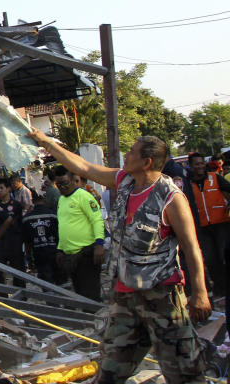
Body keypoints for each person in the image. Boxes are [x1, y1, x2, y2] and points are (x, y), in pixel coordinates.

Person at [29, 129, 210, 384]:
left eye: (132, 152)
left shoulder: (170, 198)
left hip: (162, 297)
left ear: (146, 162)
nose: (126, 156)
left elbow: (191, 247)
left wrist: (200, 293)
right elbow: (83, 165)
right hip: (126, 296)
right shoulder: (124, 181)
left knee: (183, 372)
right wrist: (46, 143)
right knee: (110, 370)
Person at [52, 166, 104, 301]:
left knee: (90, 294)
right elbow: (63, 225)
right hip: (70, 255)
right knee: (79, 293)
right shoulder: (61, 200)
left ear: (73, 180)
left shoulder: (84, 196)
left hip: (86, 252)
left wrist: (99, 244)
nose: (62, 187)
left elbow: (97, 220)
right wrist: (60, 249)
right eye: (59, 184)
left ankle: (95, 320)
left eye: (65, 183)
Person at [186, 151, 230, 293]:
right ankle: (220, 288)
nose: (200, 166)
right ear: (191, 166)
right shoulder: (187, 183)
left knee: (224, 254)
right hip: (202, 226)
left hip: (221, 223)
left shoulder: (214, 177)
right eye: (196, 164)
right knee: (210, 259)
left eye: (201, 163)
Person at [0, 177, 26, 288]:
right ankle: (2, 294)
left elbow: (18, 222)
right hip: (0, 242)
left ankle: (22, 294)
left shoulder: (17, 205)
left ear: (8, 189)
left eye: (1, 188)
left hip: (14, 241)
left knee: (18, 269)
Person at [23, 193, 59, 284]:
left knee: (46, 282)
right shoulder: (53, 215)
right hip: (55, 252)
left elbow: (27, 241)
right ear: (44, 200)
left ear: (33, 201)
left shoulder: (27, 218)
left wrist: (29, 259)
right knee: (60, 280)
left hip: (38, 253)